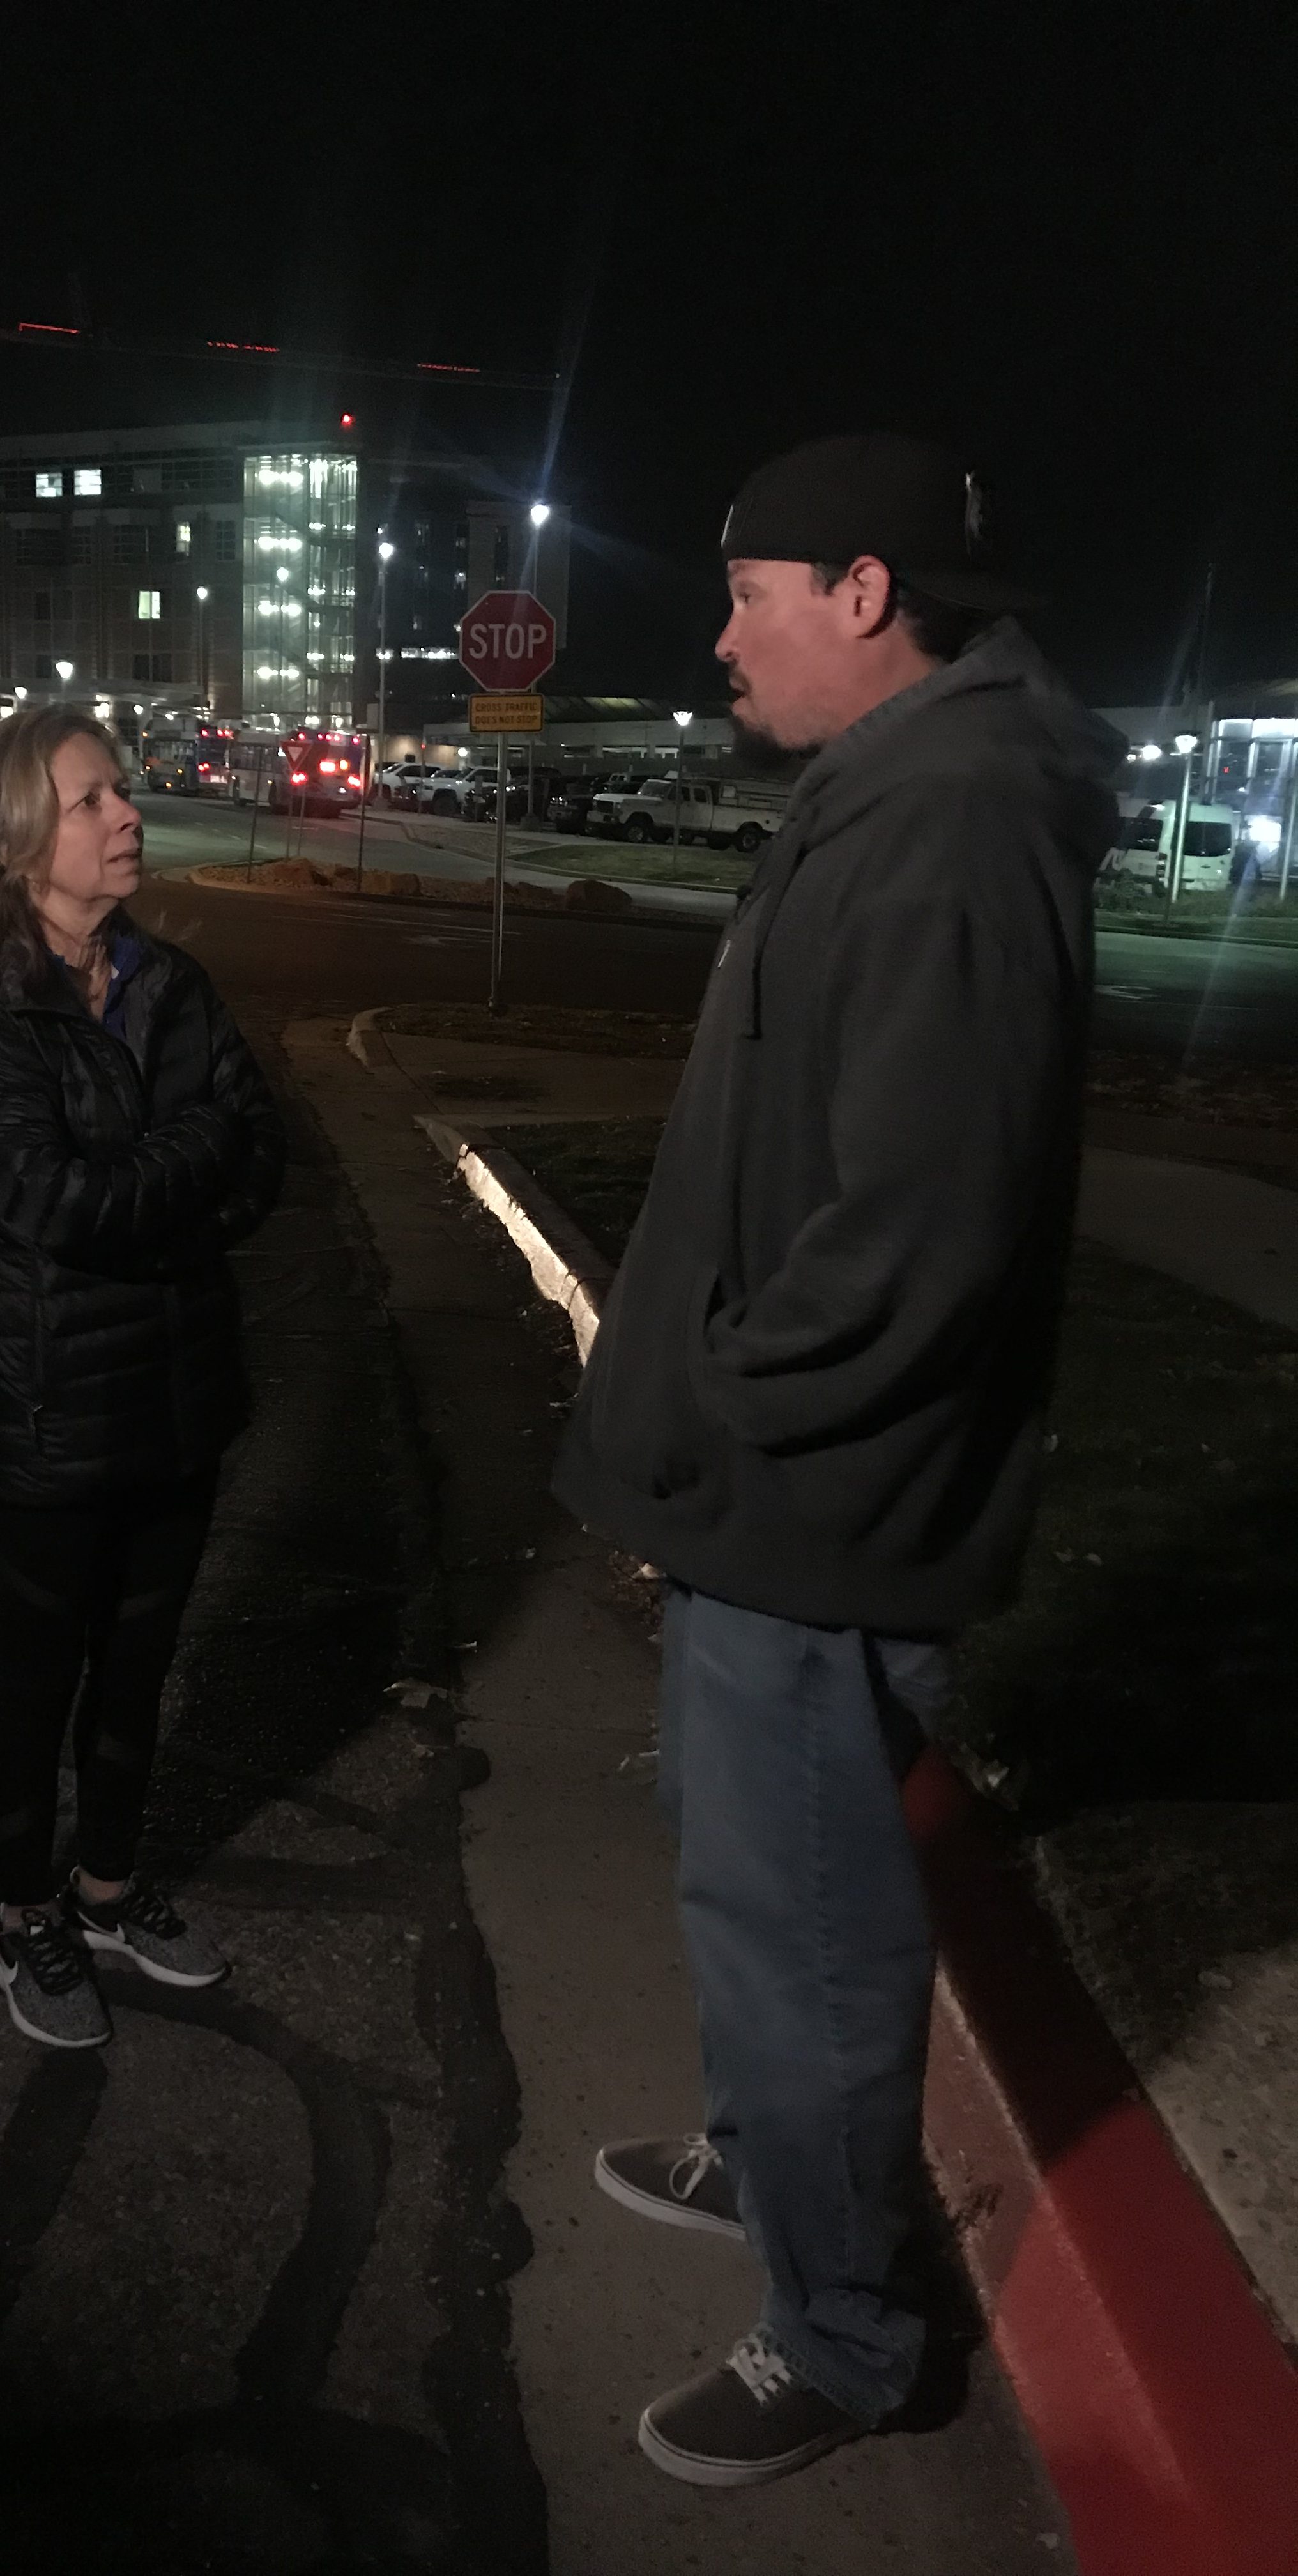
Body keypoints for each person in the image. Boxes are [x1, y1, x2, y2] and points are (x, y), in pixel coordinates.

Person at [553, 435, 1122, 2485]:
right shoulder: (897, 795)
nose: (719, 637)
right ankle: (765, 2165)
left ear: (864, 597)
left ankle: (848, 2338)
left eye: (747, 594)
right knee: (755, 1892)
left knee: (807, 1931)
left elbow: (916, 1242)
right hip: (778, 1497)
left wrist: (712, 1400)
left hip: (815, 1512)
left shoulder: (954, 827)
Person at [0, 704, 285, 2049]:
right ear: (19, 836)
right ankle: (25, 1920)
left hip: (179, 1399)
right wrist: (182, 1170)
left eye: (122, 794)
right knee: (39, 1672)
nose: (128, 815)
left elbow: (265, 1154)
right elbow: (47, 1200)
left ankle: (109, 1891)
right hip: (49, 1412)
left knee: (140, 1667)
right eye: (93, 800)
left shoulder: (171, 984)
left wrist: (162, 1186)